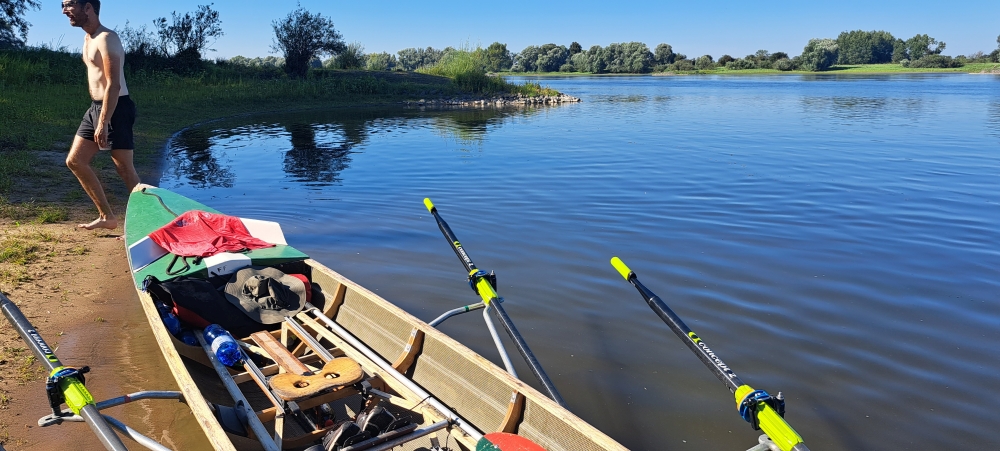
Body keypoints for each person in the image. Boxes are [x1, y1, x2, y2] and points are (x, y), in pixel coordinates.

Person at [62, 0, 140, 230]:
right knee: (75, 161)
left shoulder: (107, 38)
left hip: (117, 108)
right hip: (96, 106)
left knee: (124, 169)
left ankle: (146, 226)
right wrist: (98, 116)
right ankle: (107, 217)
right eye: (62, 5)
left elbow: (114, 85)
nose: (65, 10)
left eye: (69, 5)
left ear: (88, 7)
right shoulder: (88, 38)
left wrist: (104, 121)